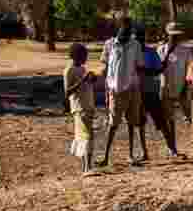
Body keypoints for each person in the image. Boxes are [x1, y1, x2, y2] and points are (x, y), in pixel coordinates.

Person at [98, 17, 145, 167]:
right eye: (123, 27)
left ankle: (130, 155)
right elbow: (106, 69)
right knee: (113, 124)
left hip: (132, 88)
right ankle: (105, 157)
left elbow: (139, 67)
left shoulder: (135, 45)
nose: (126, 30)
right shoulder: (110, 44)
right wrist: (106, 90)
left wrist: (139, 89)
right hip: (115, 90)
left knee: (131, 122)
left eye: (128, 27)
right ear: (119, 28)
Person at [135, 26, 179, 159]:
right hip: (138, 91)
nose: (140, 41)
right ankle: (145, 152)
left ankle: (172, 149)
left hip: (151, 91)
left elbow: (159, 69)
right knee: (140, 123)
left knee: (161, 121)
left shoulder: (150, 52)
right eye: (139, 38)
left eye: (142, 38)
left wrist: (143, 71)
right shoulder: (134, 53)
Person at [157, 23, 193, 153]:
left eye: (177, 36)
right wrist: (168, 53)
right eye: (173, 36)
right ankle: (173, 148)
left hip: (183, 88)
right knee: (170, 119)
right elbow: (159, 68)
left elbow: (190, 69)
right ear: (168, 35)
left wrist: (186, 87)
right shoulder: (161, 50)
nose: (175, 38)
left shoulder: (185, 51)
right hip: (166, 88)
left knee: (191, 117)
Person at [62, 43, 97, 175]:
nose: (85, 58)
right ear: (75, 55)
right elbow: (67, 92)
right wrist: (83, 80)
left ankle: (86, 167)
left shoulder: (82, 68)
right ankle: (87, 167)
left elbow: (86, 85)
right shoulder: (69, 70)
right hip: (79, 107)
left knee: (84, 136)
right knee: (87, 136)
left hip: (87, 105)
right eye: (83, 55)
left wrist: (91, 79)